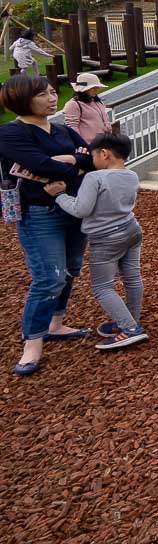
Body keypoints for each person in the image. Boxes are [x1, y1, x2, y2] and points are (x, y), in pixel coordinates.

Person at [0, 74, 94, 376]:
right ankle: (33, 341)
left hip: (74, 208)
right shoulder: (11, 133)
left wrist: (68, 160)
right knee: (48, 277)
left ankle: (56, 323)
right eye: (43, 94)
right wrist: (71, 161)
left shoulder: (62, 129)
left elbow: (91, 159)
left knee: (70, 269)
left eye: (53, 92)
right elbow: (41, 165)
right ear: (21, 98)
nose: (52, 98)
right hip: (39, 212)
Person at [45, 132, 147, 350]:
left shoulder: (95, 178)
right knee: (132, 276)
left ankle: (129, 328)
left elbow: (81, 209)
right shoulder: (132, 175)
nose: (92, 162)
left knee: (102, 286)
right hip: (132, 229)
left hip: (106, 238)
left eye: (93, 156)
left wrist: (60, 195)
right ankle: (131, 319)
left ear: (104, 153)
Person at [62, 72, 113, 143]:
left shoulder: (97, 101)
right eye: (93, 87)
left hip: (104, 143)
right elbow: (72, 128)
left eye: (97, 87)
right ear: (84, 89)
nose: (97, 89)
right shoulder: (73, 104)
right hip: (88, 146)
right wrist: (81, 145)